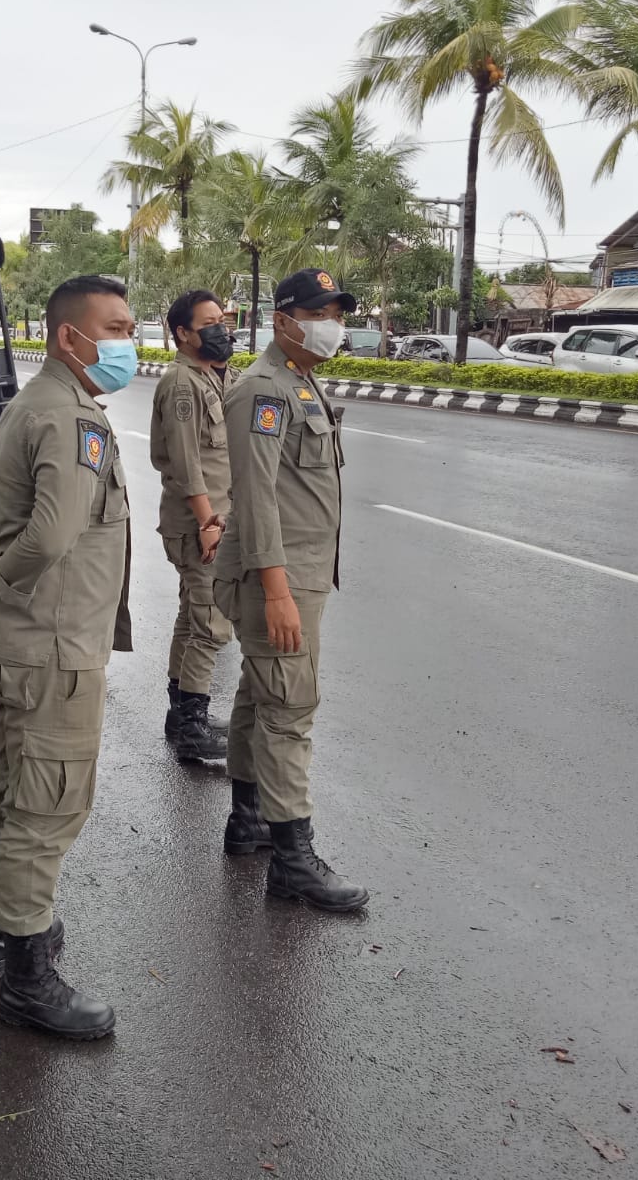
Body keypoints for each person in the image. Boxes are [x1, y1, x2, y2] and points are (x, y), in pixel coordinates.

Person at [0, 275, 133, 1040]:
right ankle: (27, 975)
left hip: (23, 641)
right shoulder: (67, 415)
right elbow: (51, 535)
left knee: (9, 786)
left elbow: (10, 516)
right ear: (68, 336)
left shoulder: (43, 404)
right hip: (51, 643)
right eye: (115, 327)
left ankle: (0, 940)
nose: (126, 341)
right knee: (47, 806)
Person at [215, 269, 368, 911]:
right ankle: (293, 860)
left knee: (260, 695)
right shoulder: (263, 390)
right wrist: (277, 591)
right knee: (289, 709)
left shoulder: (302, 381)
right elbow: (255, 499)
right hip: (279, 577)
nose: (333, 322)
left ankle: (248, 821)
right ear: (283, 320)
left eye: (336, 311)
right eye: (320, 312)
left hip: (301, 572)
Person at [149, 289, 239, 766]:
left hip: (213, 519)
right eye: (209, 322)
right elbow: (185, 463)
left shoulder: (214, 376)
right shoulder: (182, 384)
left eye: (222, 319)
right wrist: (207, 520)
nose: (221, 328)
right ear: (182, 334)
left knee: (191, 618)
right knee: (210, 625)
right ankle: (192, 728)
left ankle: (183, 715)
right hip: (200, 524)